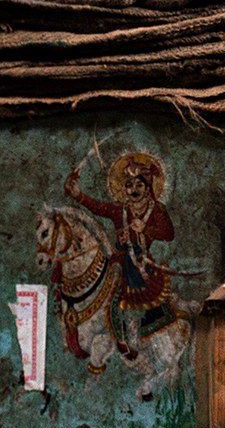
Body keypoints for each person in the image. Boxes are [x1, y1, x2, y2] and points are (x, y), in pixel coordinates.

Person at [64, 153, 178, 359]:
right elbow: (98, 207)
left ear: (148, 187)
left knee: (139, 288)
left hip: (141, 262)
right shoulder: (120, 210)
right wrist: (78, 195)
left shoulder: (156, 210)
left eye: (139, 185)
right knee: (110, 282)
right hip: (119, 259)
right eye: (129, 185)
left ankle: (133, 335)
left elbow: (169, 233)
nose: (133, 190)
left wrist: (146, 229)